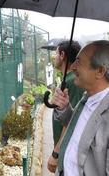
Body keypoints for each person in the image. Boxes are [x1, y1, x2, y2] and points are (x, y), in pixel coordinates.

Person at [52, 40, 109, 176]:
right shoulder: (87, 97)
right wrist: (64, 108)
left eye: (79, 62)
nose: (73, 67)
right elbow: (77, 127)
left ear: (100, 71)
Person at [47, 41, 84, 173]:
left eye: (56, 53)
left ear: (62, 55)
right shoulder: (67, 80)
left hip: (65, 149)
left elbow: (72, 121)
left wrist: (56, 152)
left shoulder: (73, 81)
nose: (54, 57)